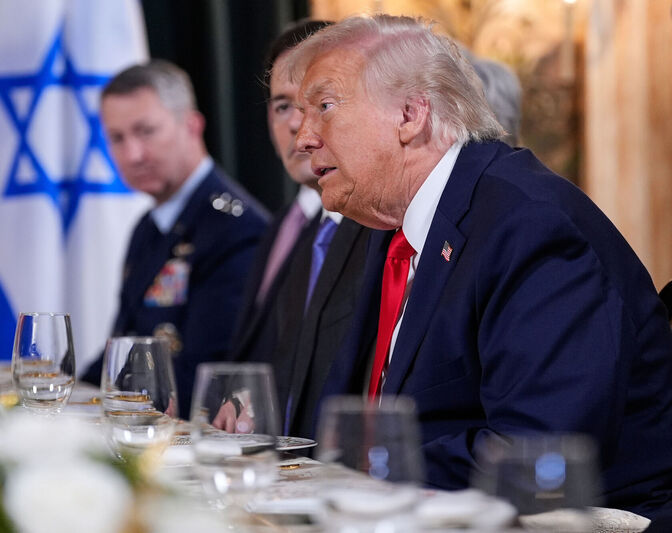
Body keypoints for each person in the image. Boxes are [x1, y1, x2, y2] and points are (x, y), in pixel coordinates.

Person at [283, 15, 672, 519]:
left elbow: (537, 449)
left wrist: (361, 480)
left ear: (410, 114)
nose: (303, 137)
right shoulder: (393, 226)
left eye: (325, 107)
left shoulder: (527, 224)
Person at [82, 61, 269, 419]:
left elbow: (206, 380)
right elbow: (122, 351)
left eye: (146, 131)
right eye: (117, 139)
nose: (133, 154)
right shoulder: (149, 227)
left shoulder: (235, 229)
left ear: (192, 125)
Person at [219, 20, 373, 439]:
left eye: (318, 104)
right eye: (283, 106)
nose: (297, 127)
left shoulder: (383, 227)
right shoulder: (291, 228)